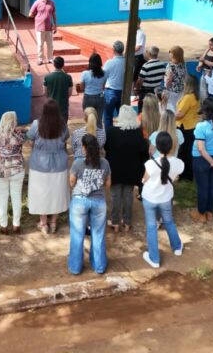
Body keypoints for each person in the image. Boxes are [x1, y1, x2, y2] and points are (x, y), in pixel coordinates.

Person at [68, 133, 111, 275]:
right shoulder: (105, 163)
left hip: (79, 201)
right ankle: (99, 266)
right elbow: (108, 184)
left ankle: (75, 267)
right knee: (98, 234)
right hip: (99, 202)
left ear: (84, 148)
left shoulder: (78, 163)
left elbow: (72, 182)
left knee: (77, 234)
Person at [141, 132, 185, 269]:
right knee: (169, 221)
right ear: (172, 146)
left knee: (151, 226)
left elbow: (144, 180)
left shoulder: (150, 163)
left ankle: (154, 258)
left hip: (149, 198)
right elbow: (176, 176)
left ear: (157, 147)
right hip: (166, 198)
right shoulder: (178, 163)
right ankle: (177, 247)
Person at [27, 99, 70, 234]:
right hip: (59, 163)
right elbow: (64, 140)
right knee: (57, 192)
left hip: (39, 163)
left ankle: (44, 223)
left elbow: (30, 140)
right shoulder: (63, 125)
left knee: (42, 193)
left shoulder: (36, 124)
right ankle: (53, 222)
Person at [104, 105, 148, 233]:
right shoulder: (137, 133)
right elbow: (143, 151)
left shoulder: (111, 131)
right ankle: (127, 222)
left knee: (114, 195)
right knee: (128, 195)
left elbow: (106, 147)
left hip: (114, 169)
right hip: (132, 170)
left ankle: (115, 221)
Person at [0, 111, 26, 234]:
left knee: (2, 197)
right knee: (16, 197)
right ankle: (16, 225)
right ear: (14, 122)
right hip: (17, 169)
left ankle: (3, 225)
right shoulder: (18, 135)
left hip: (0, 170)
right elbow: (24, 140)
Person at [175, 75, 200, 181]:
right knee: (188, 152)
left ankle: (184, 174)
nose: (183, 84)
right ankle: (187, 174)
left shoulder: (188, 98)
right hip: (191, 126)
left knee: (183, 152)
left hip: (184, 127)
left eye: (185, 82)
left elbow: (180, 114)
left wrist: (168, 115)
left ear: (188, 84)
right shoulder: (195, 96)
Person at [29, 0, 57, 65]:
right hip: (39, 28)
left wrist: (55, 25)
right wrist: (38, 17)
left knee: (50, 45)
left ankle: (50, 59)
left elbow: (54, 14)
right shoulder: (37, 2)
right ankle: (40, 59)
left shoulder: (52, 3)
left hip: (49, 28)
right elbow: (30, 14)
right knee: (40, 44)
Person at [79, 53, 106, 127]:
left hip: (88, 97)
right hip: (100, 97)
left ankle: (89, 137)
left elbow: (81, 87)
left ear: (90, 62)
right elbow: (103, 86)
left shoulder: (85, 74)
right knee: (99, 121)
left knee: (88, 120)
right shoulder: (104, 73)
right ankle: (100, 137)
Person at [103, 41, 125, 129]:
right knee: (123, 117)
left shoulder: (109, 62)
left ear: (113, 50)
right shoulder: (127, 62)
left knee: (108, 117)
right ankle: (123, 136)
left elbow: (103, 77)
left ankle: (109, 136)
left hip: (110, 91)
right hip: (123, 92)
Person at [44, 56, 73, 121]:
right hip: (63, 106)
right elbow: (70, 93)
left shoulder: (47, 77)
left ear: (54, 64)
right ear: (63, 65)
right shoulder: (68, 77)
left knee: (52, 126)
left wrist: (50, 98)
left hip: (51, 105)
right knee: (63, 126)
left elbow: (45, 93)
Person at [196, 37, 213, 101]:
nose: (209, 46)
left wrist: (204, 61)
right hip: (204, 73)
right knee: (203, 91)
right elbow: (202, 58)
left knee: (210, 91)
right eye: (209, 44)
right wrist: (199, 65)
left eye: (211, 45)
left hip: (212, 75)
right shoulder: (207, 50)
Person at [164, 46, 187, 112]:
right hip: (181, 89)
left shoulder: (170, 66)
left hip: (172, 91)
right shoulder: (183, 64)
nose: (169, 54)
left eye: (170, 52)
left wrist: (165, 80)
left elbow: (168, 81)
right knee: (178, 108)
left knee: (172, 109)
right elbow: (185, 77)